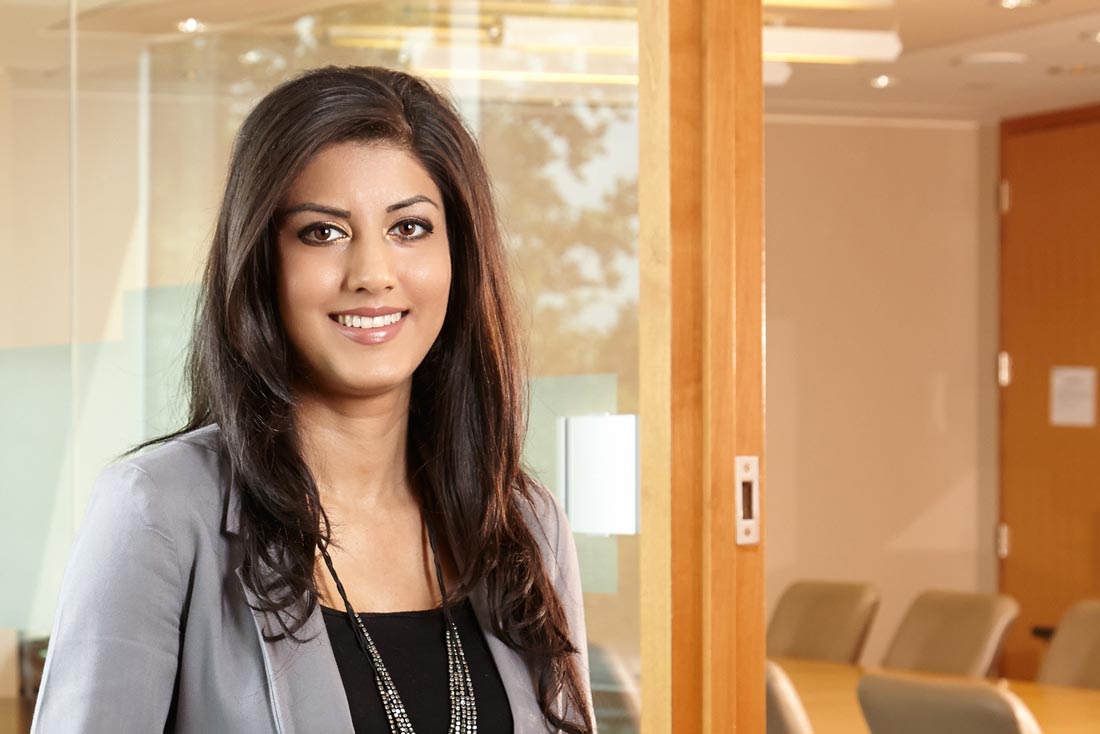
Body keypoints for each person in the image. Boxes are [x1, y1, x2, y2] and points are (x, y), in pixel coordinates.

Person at [31, 65, 594, 734]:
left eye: (409, 229)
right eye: (322, 232)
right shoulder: (159, 512)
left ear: (459, 257)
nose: (372, 274)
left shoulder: (524, 523)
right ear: (262, 261)